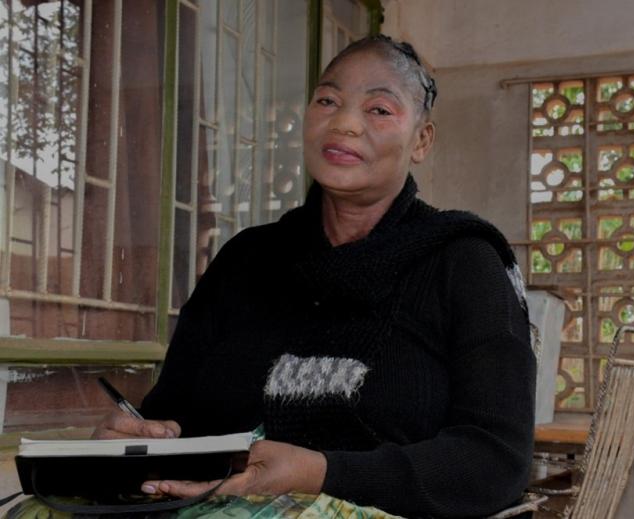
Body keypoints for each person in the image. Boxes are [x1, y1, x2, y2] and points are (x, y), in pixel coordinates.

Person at [92, 35, 536, 518]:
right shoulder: (245, 261)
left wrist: (320, 472)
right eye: (327, 100)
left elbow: (496, 460)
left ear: (421, 140)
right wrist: (131, 443)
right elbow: (173, 420)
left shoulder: (464, 261)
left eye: (379, 110)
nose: (344, 123)